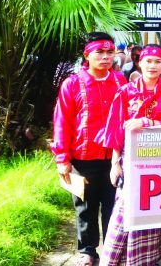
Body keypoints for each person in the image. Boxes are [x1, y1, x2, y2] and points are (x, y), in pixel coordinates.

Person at [96, 45, 161, 266]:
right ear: (139, 63)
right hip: (131, 161)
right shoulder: (125, 92)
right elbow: (116, 130)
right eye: (148, 61)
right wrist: (115, 163)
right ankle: (114, 259)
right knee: (125, 208)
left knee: (150, 208)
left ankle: (144, 260)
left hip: (160, 161)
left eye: (157, 61)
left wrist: (148, 122)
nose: (152, 65)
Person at [51, 33, 127, 266]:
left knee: (114, 205)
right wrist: (62, 158)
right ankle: (88, 250)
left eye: (109, 53)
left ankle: (112, 250)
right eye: (99, 53)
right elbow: (61, 122)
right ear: (87, 55)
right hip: (84, 157)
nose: (105, 58)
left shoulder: (120, 81)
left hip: (115, 157)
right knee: (85, 205)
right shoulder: (73, 83)